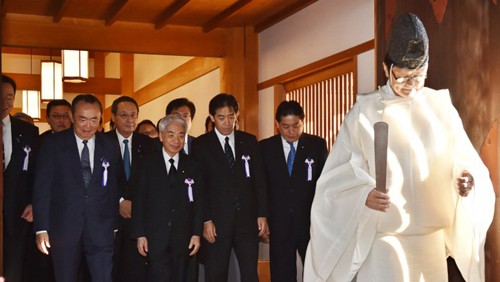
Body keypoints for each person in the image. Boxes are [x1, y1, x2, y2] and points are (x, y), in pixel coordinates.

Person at [303, 13, 495, 282]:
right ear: (386, 68)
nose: (412, 85)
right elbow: (337, 177)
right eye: (403, 77)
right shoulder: (364, 112)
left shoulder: (440, 108)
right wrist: (363, 195)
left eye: (419, 76)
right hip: (384, 241)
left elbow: (463, 160)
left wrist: (465, 179)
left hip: (430, 241)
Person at [33, 94, 121, 282]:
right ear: (72, 117)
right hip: (64, 228)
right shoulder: (53, 144)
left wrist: (114, 224)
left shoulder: (110, 146)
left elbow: (114, 187)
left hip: (101, 228)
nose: (88, 126)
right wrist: (41, 228)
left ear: (100, 120)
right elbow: (42, 188)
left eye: (94, 120)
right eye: (82, 119)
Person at [191, 93, 269, 282]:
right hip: (217, 222)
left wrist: (262, 213)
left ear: (237, 115)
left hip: (247, 220)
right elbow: (199, 187)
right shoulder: (201, 145)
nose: (227, 122)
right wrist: (206, 219)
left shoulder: (249, 141)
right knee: (216, 273)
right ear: (212, 118)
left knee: (250, 272)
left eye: (231, 116)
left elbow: (259, 180)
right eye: (221, 117)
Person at [259, 100, 328, 281]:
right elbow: (261, 186)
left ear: (303, 122)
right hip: (279, 221)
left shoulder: (317, 145)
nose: (291, 131)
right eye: (285, 126)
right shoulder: (265, 148)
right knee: (282, 272)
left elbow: (325, 184)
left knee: (315, 271)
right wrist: (262, 216)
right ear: (277, 125)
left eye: (296, 126)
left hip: (309, 220)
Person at [131, 114, 204, 282]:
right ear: (161, 136)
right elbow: (139, 201)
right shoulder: (147, 164)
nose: (176, 140)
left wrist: (196, 233)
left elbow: (199, 202)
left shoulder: (193, 165)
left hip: (184, 236)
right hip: (155, 236)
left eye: (181, 135)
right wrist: (140, 234)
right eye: (171, 135)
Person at [106, 96, 155, 282]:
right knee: (110, 270)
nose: (130, 120)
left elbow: (152, 182)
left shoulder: (149, 144)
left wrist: (136, 204)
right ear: (113, 117)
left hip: (138, 217)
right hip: (109, 217)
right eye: (124, 115)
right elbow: (98, 181)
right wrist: (119, 201)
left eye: (133, 115)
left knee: (134, 271)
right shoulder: (102, 142)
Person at [1, 74, 39, 282]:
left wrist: (34, 202)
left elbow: (36, 172)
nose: (5, 102)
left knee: (14, 267)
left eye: (9, 97)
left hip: (18, 212)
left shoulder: (28, 132)